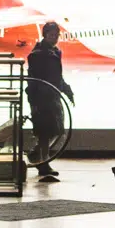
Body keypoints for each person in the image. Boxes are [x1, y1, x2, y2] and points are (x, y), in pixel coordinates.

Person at [26, 21, 74, 181]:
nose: (54, 38)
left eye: (56, 35)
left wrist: (67, 91)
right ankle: (43, 162)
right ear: (45, 35)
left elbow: (58, 77)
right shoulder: (37, 54)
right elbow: (32, 79)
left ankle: (37, 155)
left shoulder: (55, 52)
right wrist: (34, 102)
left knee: (57, 130)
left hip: (53, 96)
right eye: (51, 35)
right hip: (42, 98)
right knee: (45, 132)